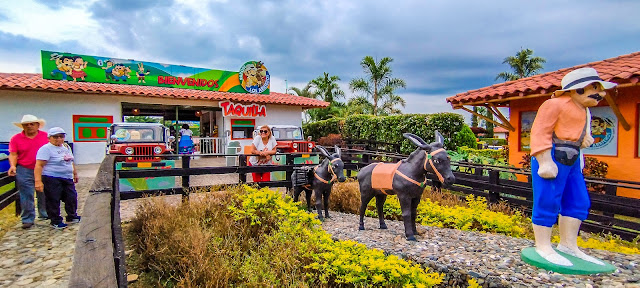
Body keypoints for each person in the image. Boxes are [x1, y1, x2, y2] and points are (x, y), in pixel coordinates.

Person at [529, 67, 616, 267]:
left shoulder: (585, 110)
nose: (600, 94)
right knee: (548, 199)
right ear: (577, 89)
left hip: (574, 158)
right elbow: (539, 133)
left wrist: (586, 139)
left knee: (578, 201)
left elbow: (583, 135)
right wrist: (544, 160)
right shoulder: (554, 105)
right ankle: (543, 245)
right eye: (594, 88)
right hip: (552, 155)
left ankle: (568, 244)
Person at [34, 127, 80, 229]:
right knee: (53, 199)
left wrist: (75, 173)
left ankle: (72, 216)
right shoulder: (46, 149)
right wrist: (38, 181)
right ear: (49, 138)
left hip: (67, 177)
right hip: (51, 177)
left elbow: (71, 161)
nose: (59, 139)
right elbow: (39, 165)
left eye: (61, 136)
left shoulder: (66, 147)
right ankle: (55, 220)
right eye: (55, 137)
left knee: (71, 197)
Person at [8, 114, 49, 229]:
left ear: (37, 125)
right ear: (23, 126)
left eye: (32, 124)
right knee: (26, 194)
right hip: (25, 168)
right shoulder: (16, 139)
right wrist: (12, 166)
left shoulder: (46, 137)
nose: (29, 126)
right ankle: (27, 218)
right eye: (26, 125)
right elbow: (13, 154)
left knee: (44, 192)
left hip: (43, 168)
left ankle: (44, 213)